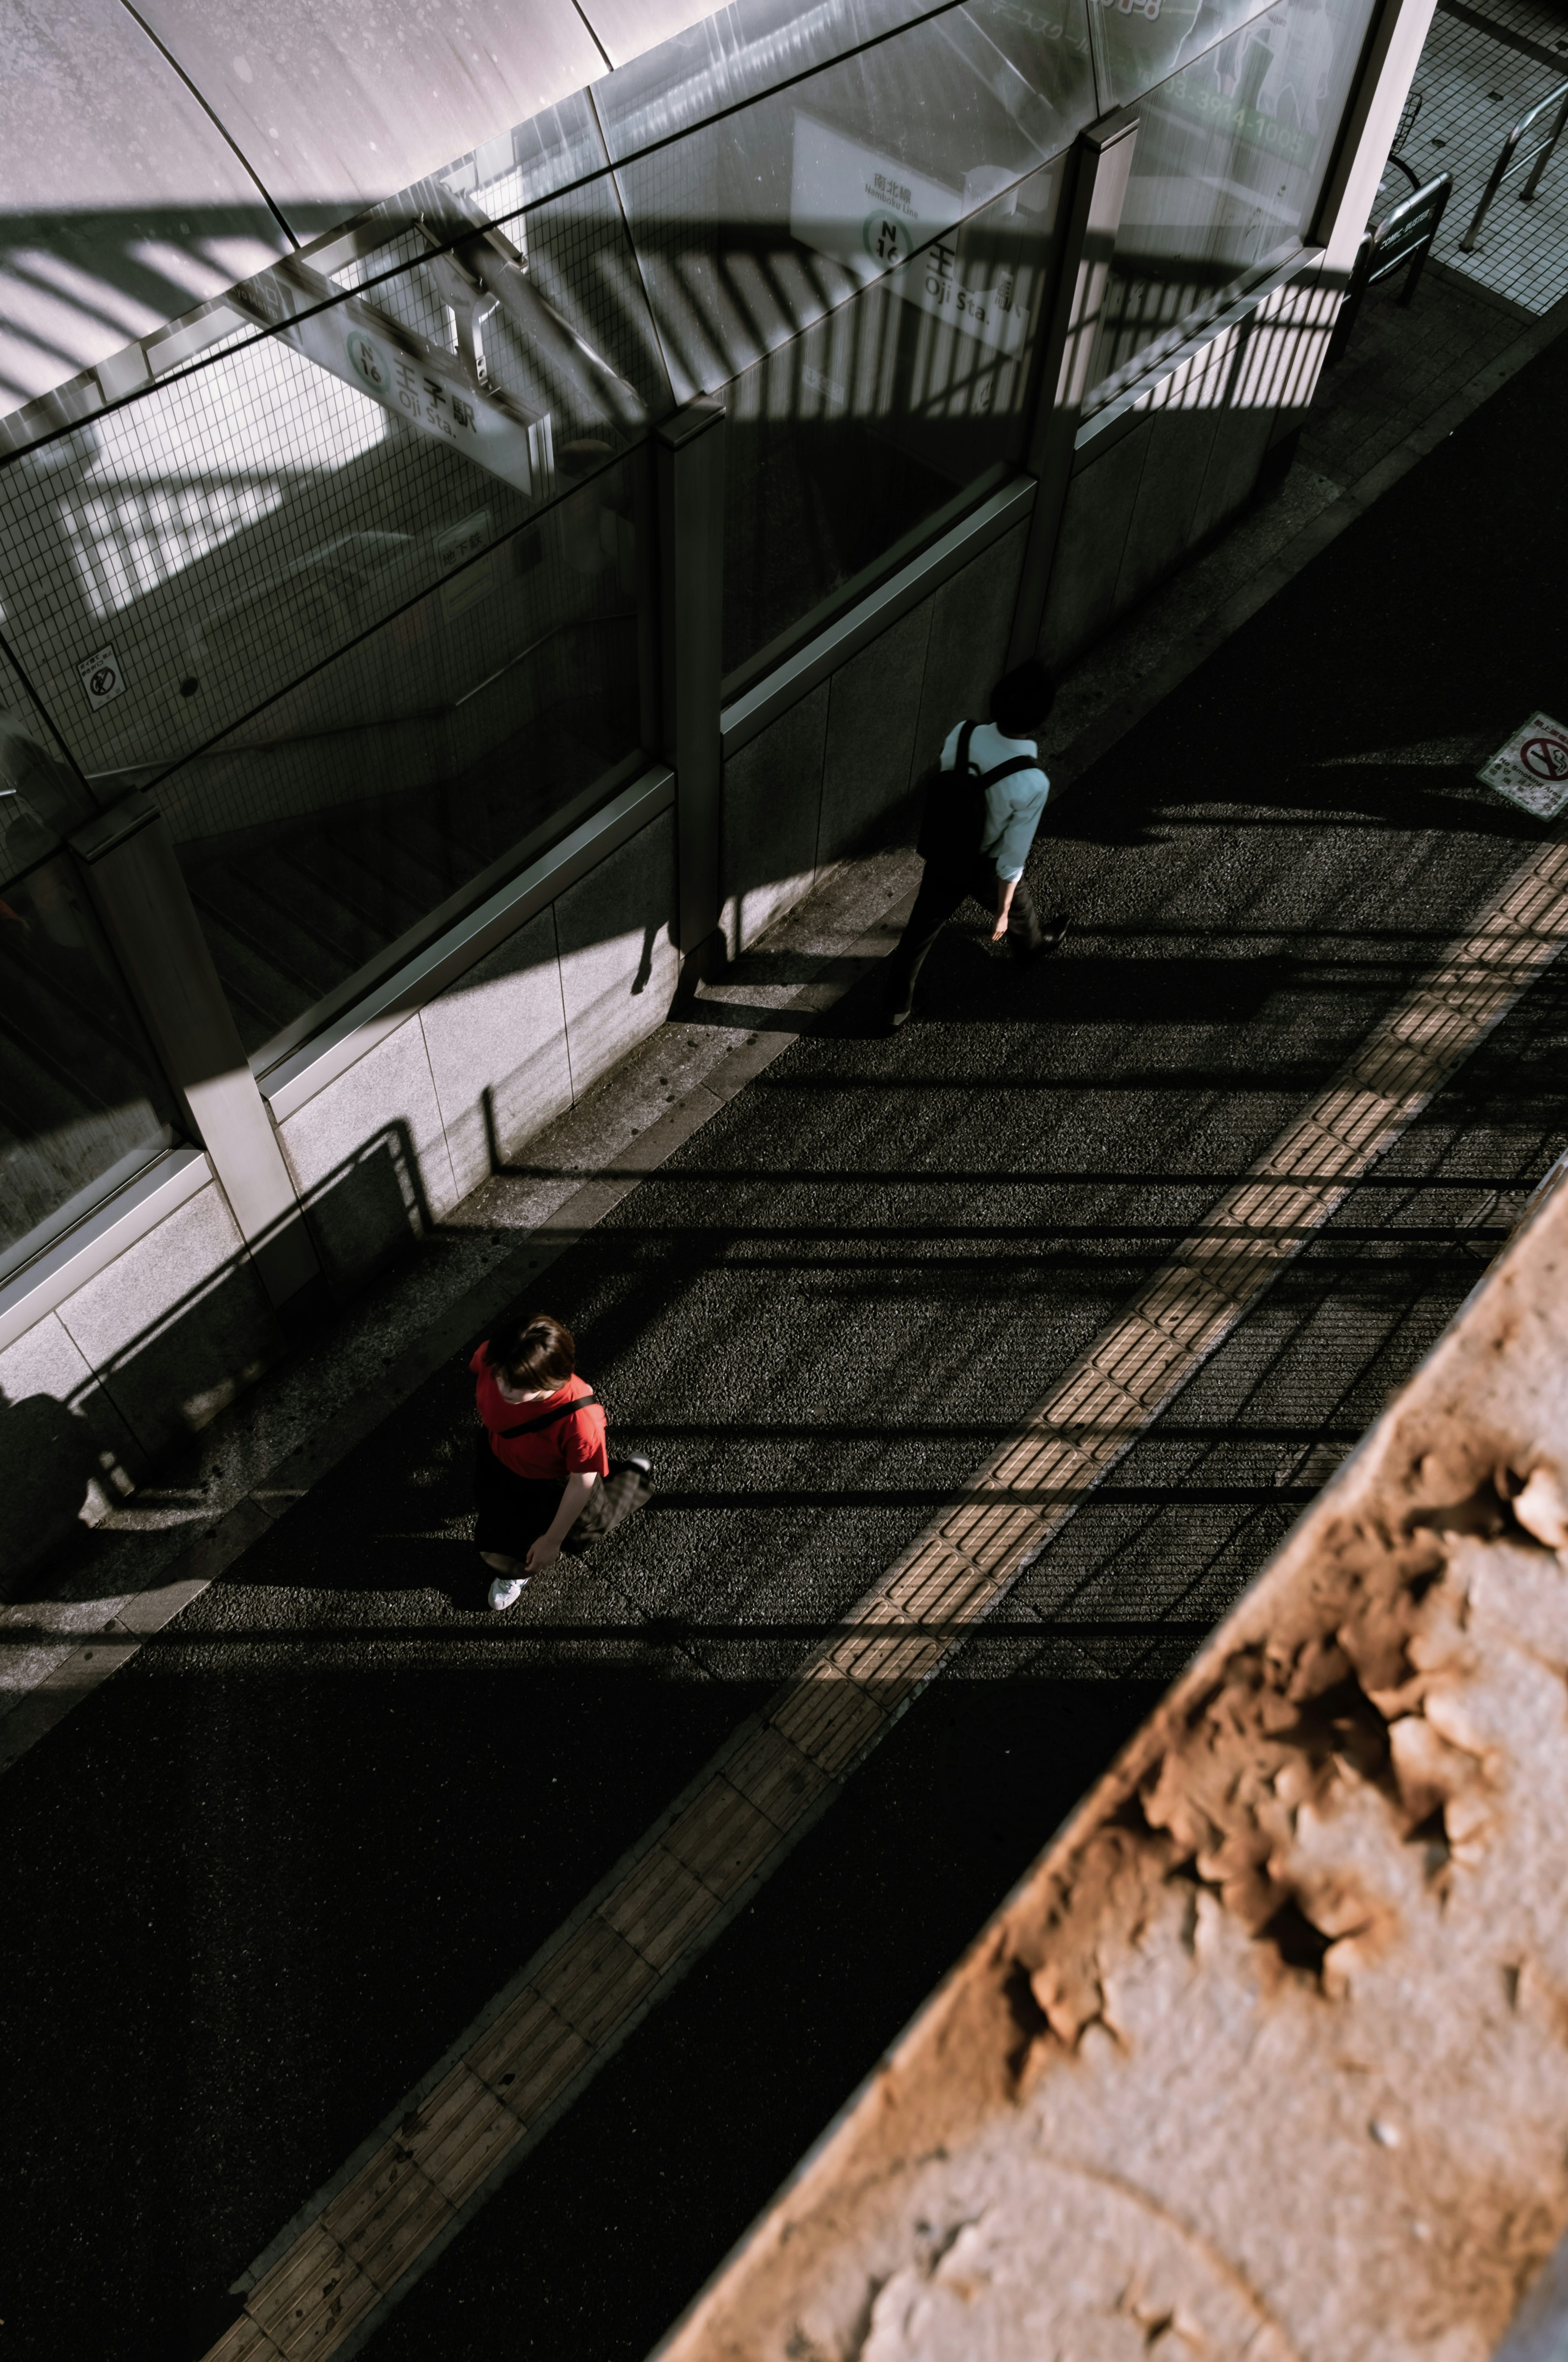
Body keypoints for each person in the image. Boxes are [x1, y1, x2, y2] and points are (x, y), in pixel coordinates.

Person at [883, 658, 1066, 1030]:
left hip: (946, 850)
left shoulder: (963, 734)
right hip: (984, 863)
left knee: (919, 932)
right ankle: (1031, 947)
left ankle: (895, 1009)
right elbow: (1013, 859)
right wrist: (1000, 910)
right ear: (1038, 719)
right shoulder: (1031, 781)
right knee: (1019, 907)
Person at [470, 1311, 610, 1611]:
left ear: (548, 1380)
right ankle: (513, 1570)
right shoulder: (495, 1357)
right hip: (499, 1457)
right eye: (499, 1375)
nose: (502, 1387)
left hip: (550, 1482)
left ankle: (634, 1481)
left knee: (581, 1533)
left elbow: (581, 1480)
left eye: (514, 1384)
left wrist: (552, 1540)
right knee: (501, 1525)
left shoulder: (581, 1420)